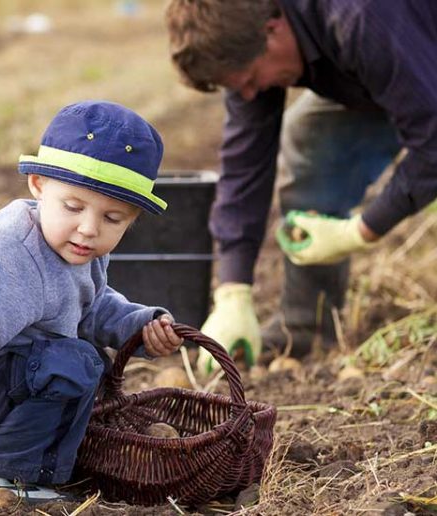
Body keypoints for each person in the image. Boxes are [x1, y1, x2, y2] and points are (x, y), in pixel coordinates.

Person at [0, 100, 184, 502]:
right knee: (76, 362)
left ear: (132, 218)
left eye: (113, 219)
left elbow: (91, 304)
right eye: (73, 207)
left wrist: (139, 327)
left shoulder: (79, 247)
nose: (89, 228)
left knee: (84, 360)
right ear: (38, 185)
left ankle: (22, 455)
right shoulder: (12, 254)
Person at [164, 0, 437, 374]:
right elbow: (245, 163)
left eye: (246, 81)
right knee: (311, 136)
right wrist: (233, 290)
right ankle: (307, 327)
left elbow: (434, 143)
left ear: (272, 30)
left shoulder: (362, 17)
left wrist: (361, 229)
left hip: (416, 54)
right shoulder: (245, 30)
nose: (247, 94)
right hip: (388, 70)